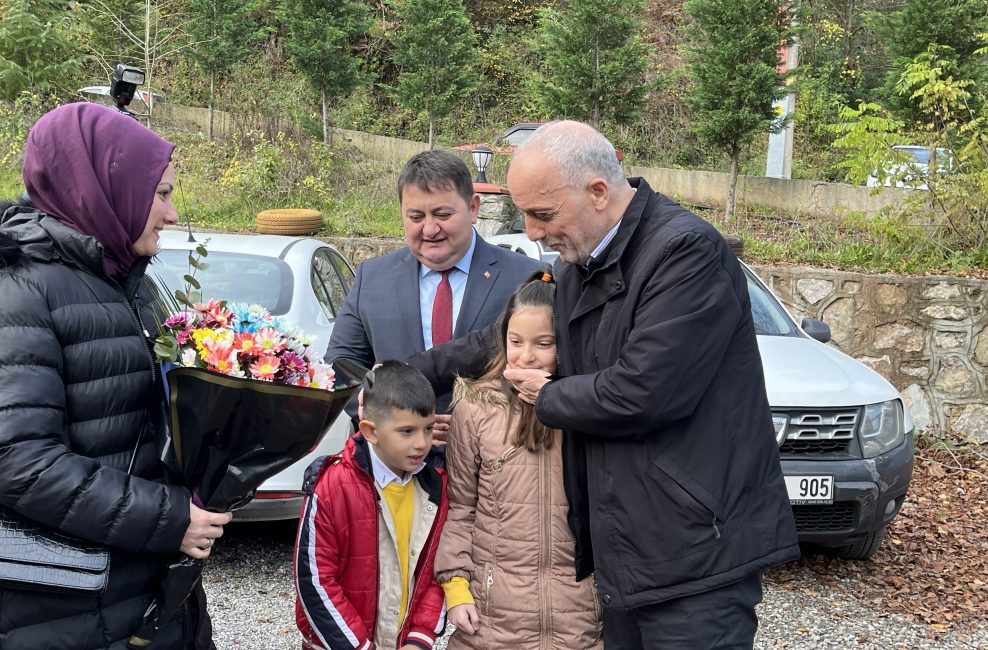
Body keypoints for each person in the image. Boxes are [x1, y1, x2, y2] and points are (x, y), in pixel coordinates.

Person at [409, 120, 799, 649]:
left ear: (597, 192)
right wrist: (405, 377)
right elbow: (496, 338)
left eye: (543, 214)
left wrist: (544, 396)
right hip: (624, 556)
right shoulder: (580, 266)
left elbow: (644, 391)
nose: (531, 233)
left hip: (693, 557)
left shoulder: (684, 254)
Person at [0, 102, 232, 649]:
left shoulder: (125, 283)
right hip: (58, 607)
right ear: (109, 188)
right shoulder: (14, 293)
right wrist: (172, 517)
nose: (172, 215)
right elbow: (17, 461)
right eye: (162, 194)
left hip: (137, 586)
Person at [436, 270, 602, 649]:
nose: (526, 356)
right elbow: (461, 508)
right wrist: (456, 588)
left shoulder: (588, 408)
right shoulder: (475, 408)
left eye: (543, 343)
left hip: (579, 610)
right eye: (516, 341)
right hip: (494, 613)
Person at [326, 149, 542, 437]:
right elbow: (340, 365)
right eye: (416, 216)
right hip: (395, 468)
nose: (429, 229)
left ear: (474, 208)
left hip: (499, 458)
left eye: (443, 214)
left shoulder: (526, 278)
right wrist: (391, 419)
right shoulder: (373, 277)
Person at [294, 361, 447, 650]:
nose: (421, 443)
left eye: (428, 429)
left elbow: (437, 571)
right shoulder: (332, 486)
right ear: (370, 431)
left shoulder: (436, 486)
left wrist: (421, 637)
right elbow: (314, 580)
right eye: (407, 431)